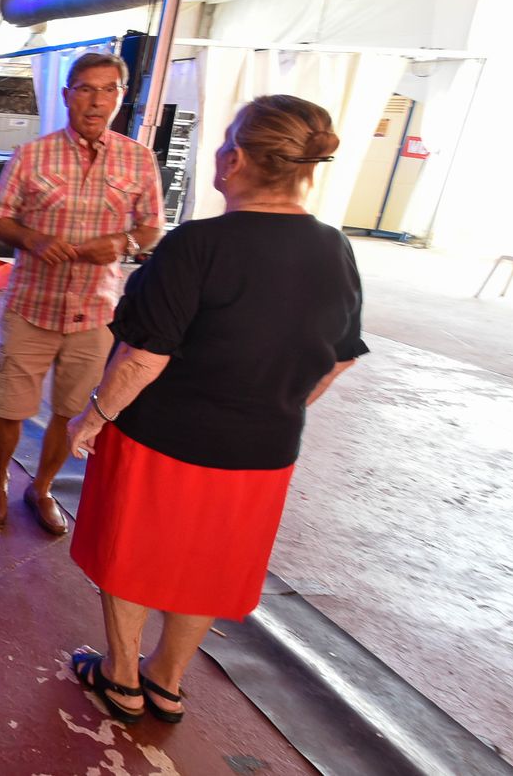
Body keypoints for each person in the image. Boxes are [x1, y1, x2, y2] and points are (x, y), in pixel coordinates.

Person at [63, 95, 367, 724]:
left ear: (236, 159)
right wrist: (273, 403)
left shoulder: (197, 245)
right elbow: (340, 356)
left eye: (228, 142)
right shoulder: (334, 249)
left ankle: (121, 676)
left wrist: (93, 416)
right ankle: (167, 680)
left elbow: (145, 358)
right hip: (262, 452)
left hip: (162, 439)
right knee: (207, 564)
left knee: (131, 554)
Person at [0, 52, 163, 536]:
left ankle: (41, 488)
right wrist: (32, 239)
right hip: (32, 306)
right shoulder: (31, 155)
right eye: (84, 89)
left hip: (97, 312)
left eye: (108, 90)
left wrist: (124, 244)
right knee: (10, 406)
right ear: (66, 96)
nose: (96, 100)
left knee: (70, 410)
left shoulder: (140, 160)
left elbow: (152, 228)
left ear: (121, 98)